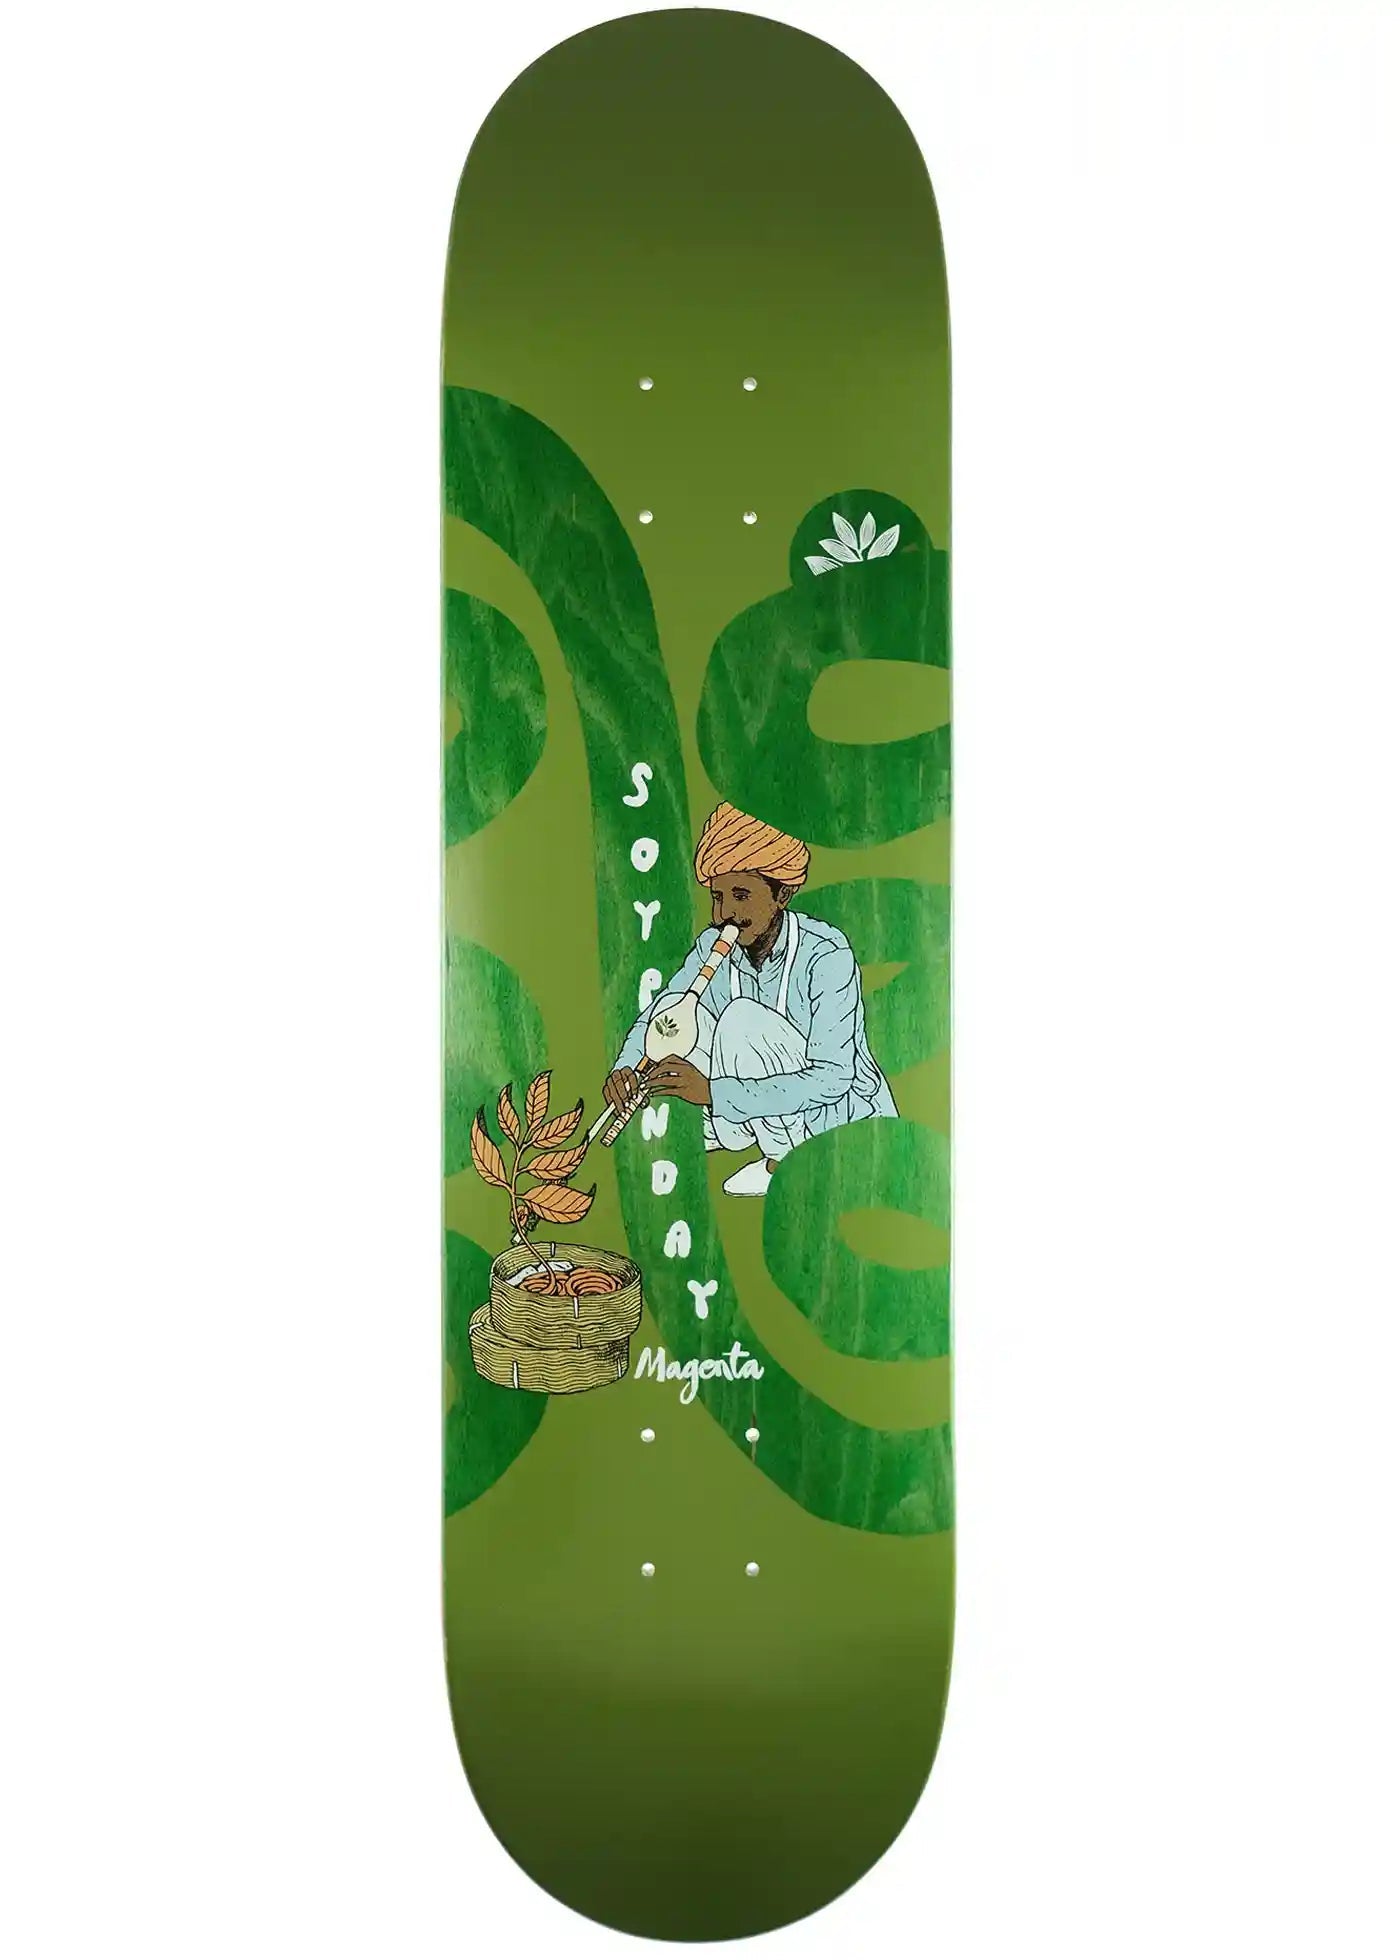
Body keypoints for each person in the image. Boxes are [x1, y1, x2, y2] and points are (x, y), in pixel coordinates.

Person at [603, 802, 896, 1195]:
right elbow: (665, 1011)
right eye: (717, 896)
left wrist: (712, 1093)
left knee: (740, 1019)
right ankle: (740, 1133)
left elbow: (833, 1078)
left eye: (741, 895)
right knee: (682, 1017)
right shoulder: (712, 946)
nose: (723, 913)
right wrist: (626, 1067)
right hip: (759, 1098)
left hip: (836, 1123)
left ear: (783, 894)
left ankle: (784, 1161)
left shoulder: (826, 953)